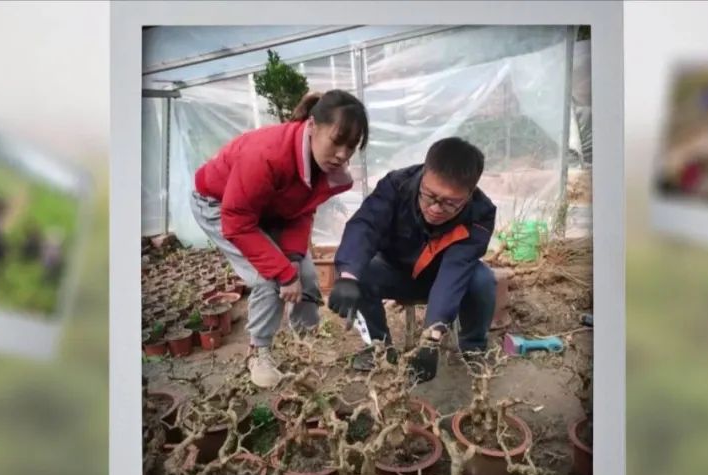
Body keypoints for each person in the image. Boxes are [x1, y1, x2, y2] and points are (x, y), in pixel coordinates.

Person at [189, 89, 369, 388]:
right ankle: (259, 352)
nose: (342, 155)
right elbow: (237, 222)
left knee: (306, 274)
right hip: (221, 205)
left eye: (351, 146)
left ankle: (306, 341)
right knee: (267, 276)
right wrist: (283, 273)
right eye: (337, 141)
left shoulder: (323, 167)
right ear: (312, 126)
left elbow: (301, 211)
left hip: (266, 210)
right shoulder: (267, 155)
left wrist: (295, 259)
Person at [326, 137, 497, 383]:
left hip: (445, 281)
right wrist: (347, 275)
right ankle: (380, 348)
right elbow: (365, 226)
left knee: (482, 280)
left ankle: (473, 349)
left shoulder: (480, 214)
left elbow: (454, 273)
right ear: (425, 173)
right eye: (430, 196)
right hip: (396, 272)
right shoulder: (397, 185)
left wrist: (431, 339)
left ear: (470, 194)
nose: (436, 209)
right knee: (360, 272)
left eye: (451, 203)